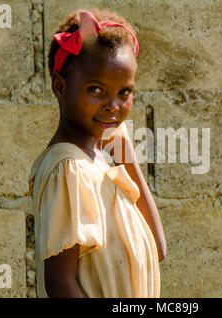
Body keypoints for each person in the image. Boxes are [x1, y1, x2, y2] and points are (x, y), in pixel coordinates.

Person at [28, 8, 166, 298]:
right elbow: (60, 283)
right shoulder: (69, 169)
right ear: (60, 86)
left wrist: (126, 155)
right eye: (96, 89)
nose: (112, 105)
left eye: (124, 92)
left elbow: (157, 249)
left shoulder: (102, 166)